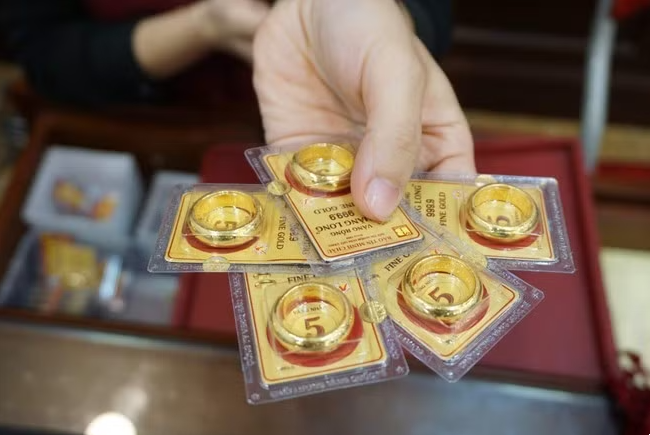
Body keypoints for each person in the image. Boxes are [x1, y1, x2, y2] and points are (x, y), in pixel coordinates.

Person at [1, 0, 474, 221]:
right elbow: (45, 53)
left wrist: (388, 32)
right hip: (141, 121)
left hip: (333, 103)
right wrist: (204, 26)